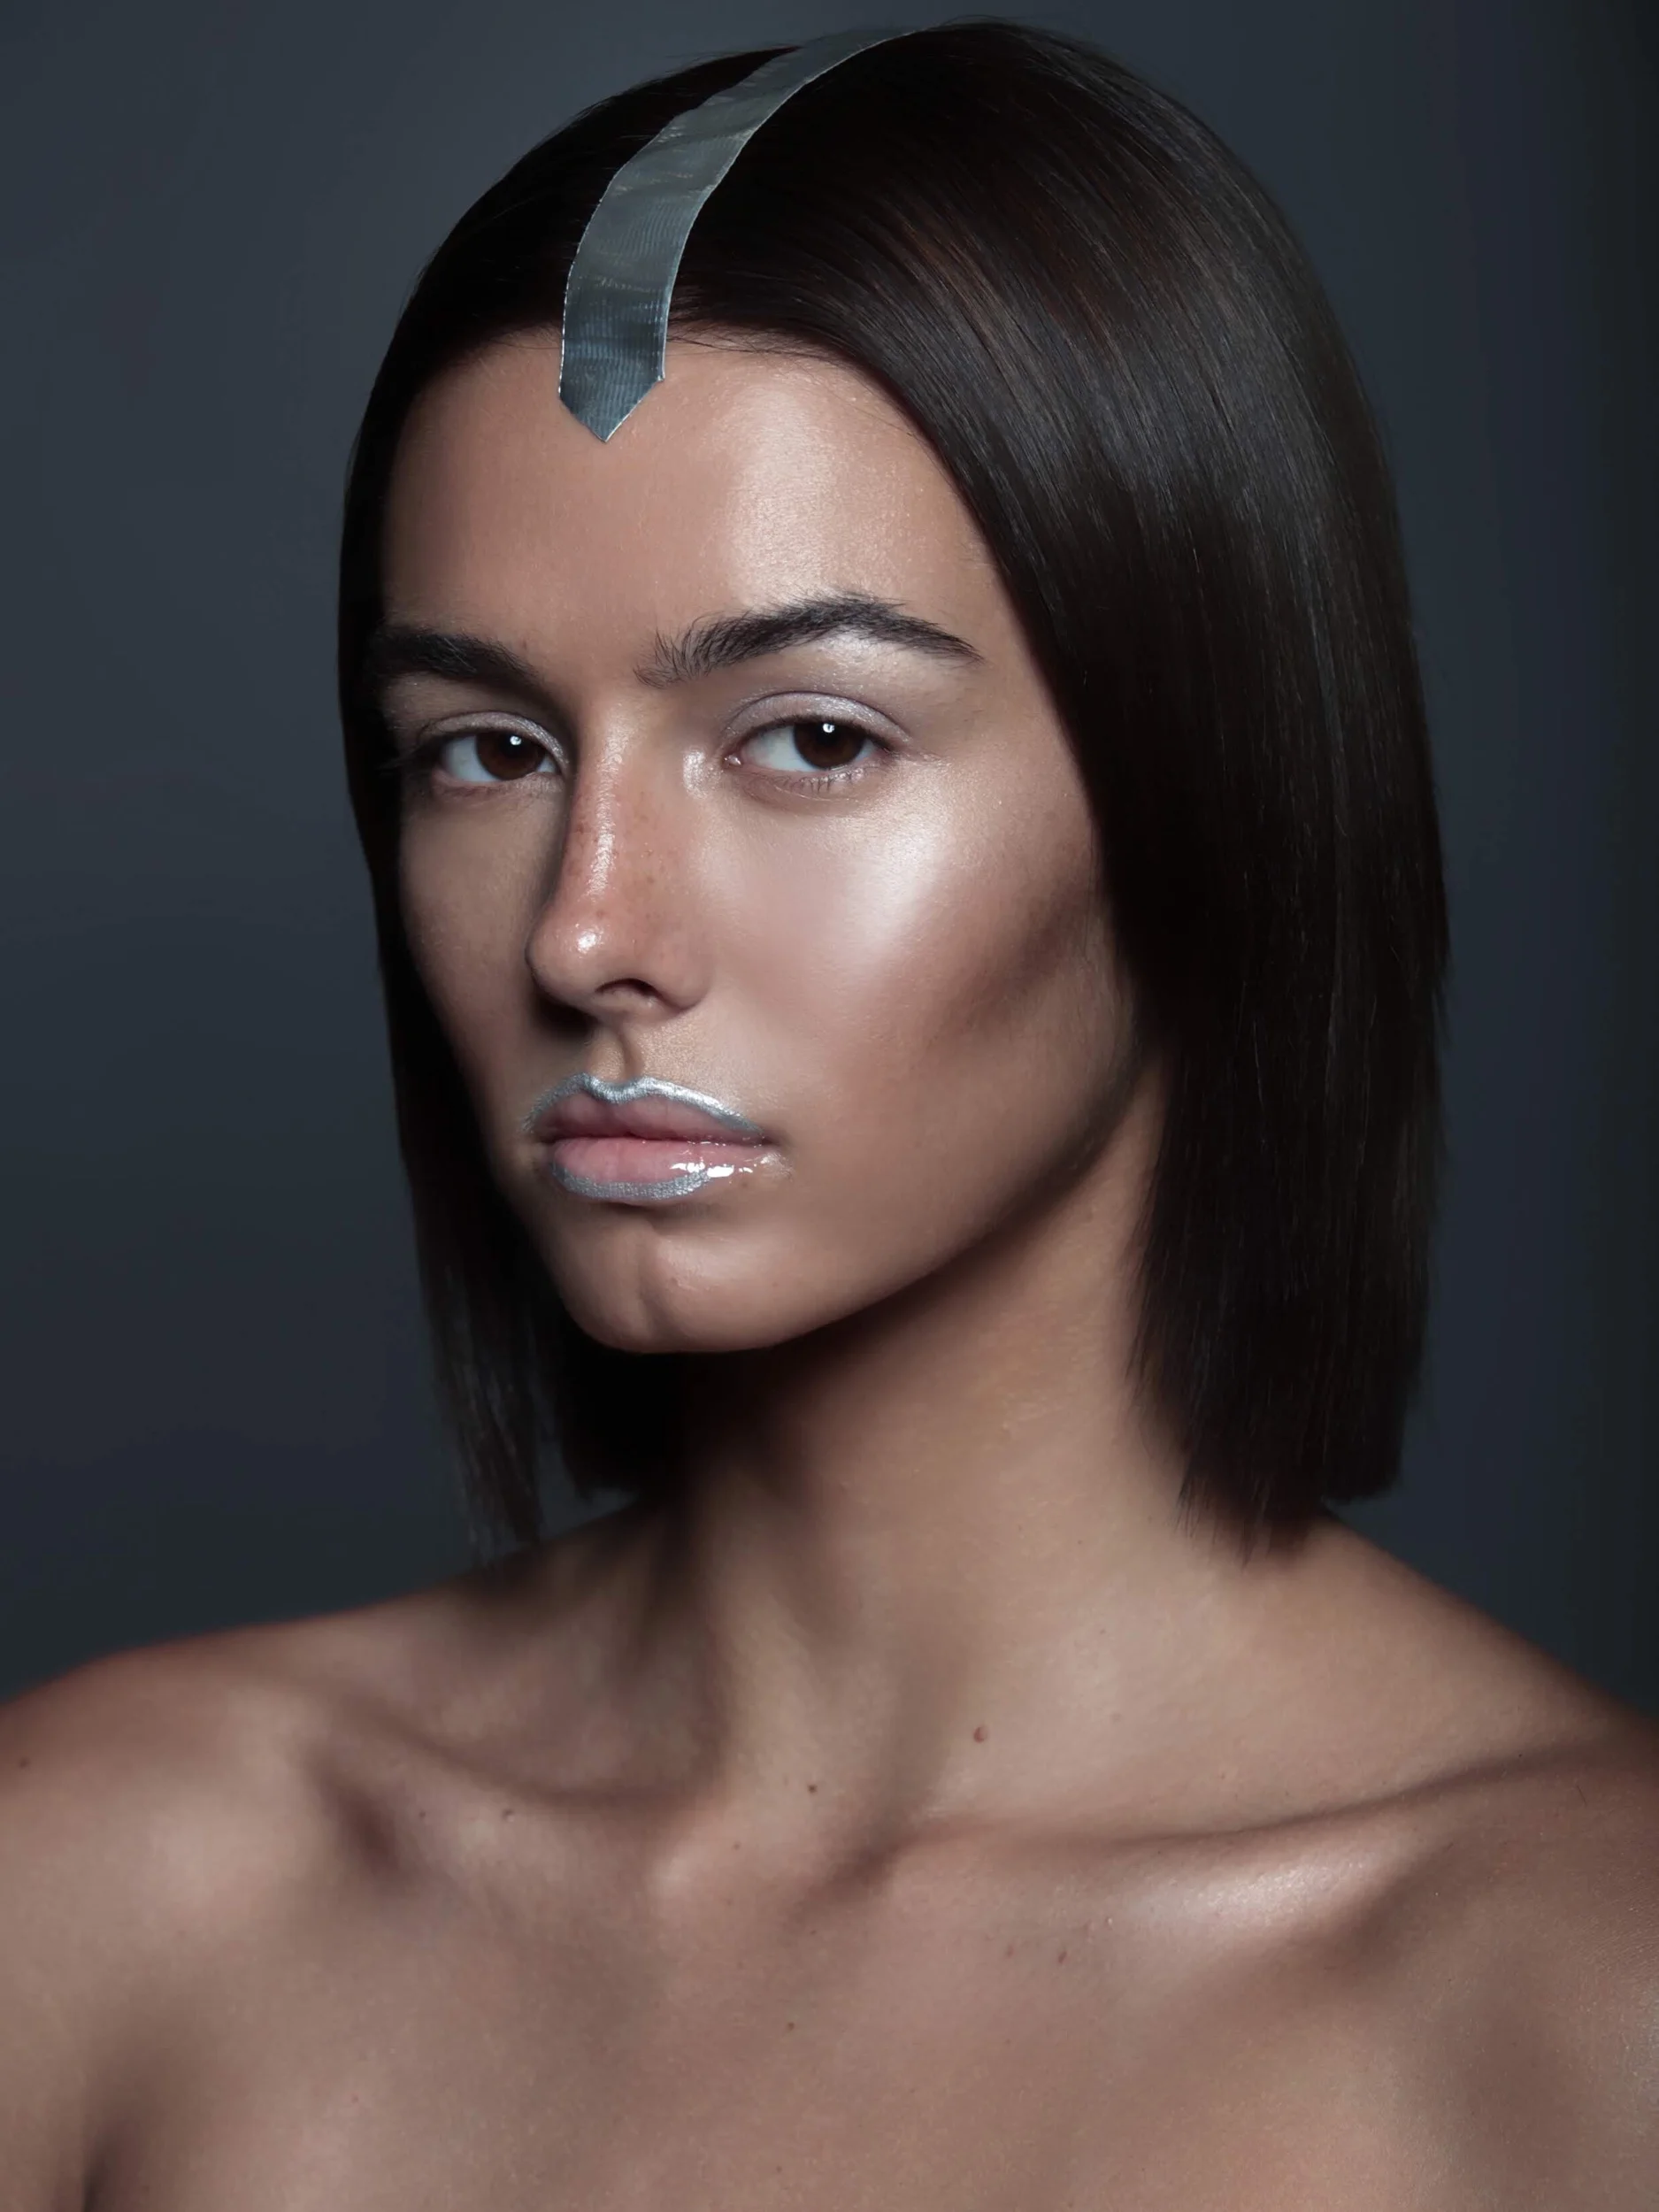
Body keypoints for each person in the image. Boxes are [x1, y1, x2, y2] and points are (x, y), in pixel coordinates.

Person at [1, 23, 1655, 2206]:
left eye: (809, 738)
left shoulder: (1582, 2008)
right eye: (486, 750)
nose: (586, 930)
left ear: (1220, 792)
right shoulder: (106, 1886)